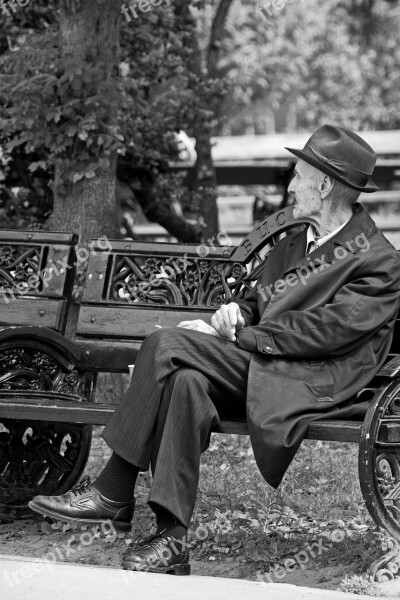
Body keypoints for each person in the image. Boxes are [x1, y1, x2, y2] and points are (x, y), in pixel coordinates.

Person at [29, 124, 400, 576]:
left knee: (165, 342)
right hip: (260, 363)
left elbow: (324, 332)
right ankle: (171, 540)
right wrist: (235, 314)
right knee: (185, 380)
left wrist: (234, 337)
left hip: (308, 380)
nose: (291, 185)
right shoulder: (296, 240)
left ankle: (113, 488)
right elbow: (260, 299)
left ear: (324, 186)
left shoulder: (377, 261)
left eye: (299, 176)